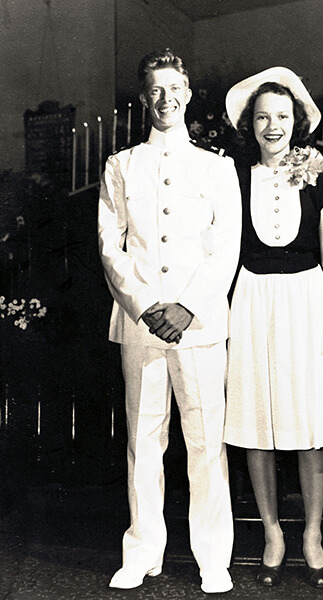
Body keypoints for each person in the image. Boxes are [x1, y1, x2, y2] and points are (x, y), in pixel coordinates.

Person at [98, 48, 242, 594]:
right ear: (143, 98)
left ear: (187, 94)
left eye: (174, 89)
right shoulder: (121, 165)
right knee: (143, 439)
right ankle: (142, 552)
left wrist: (188, 307)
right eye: (155, 90)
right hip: (140, 325)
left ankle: (212, 558)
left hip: (198, 325)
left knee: (205, 442)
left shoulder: (216, 167)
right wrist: (144, 304)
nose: (165, 99)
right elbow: (111, 248)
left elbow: (225, 247)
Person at [223, 67, 323, 589]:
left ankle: (312, 535)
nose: (272, 126)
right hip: (252, 299)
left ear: (296, 121)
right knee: (256, 421)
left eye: (281, 116)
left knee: (311, 424)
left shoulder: (320, 174)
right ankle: (273, 534)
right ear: (249, 125)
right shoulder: (231, 176)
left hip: (305, 299)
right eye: (262, 117)